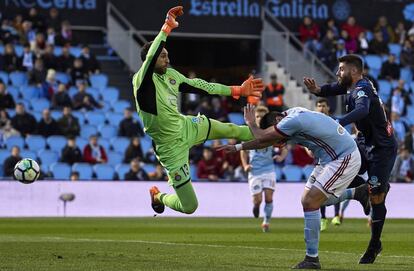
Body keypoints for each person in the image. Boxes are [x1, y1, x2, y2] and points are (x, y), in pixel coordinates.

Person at [135, 6, 264, 215]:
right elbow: (151, 56)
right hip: (170, 148)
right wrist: (167, 27)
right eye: (163, 56)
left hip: (186, 126)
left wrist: (237, 90)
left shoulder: (172, 75)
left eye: (168, 56)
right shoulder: (142, 81)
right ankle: (158, 196)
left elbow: (203, 86)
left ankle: (279, 134)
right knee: (190, 206)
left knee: (233, 129)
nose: (167, 59)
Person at [219, 105, 370, 269]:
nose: (278, 145)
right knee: (311, 202)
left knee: (310, 201)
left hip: (343, 156)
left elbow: (263, 137)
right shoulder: (289, 118)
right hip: (328, 159)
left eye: (278, 140)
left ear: (278, 120)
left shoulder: (293, 120)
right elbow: (265, 140)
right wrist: (238, 147)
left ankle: (312, 259)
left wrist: (251, 123)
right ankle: (357, 193)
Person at [303, 54, 398, 264]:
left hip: (382, 149)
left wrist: (339, 121)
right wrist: (319, 90)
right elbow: (335, 88)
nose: (338, 73)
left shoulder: (362, 89)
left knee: (377, 198)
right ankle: (363, 190)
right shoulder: (352, 86)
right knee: (343, 170)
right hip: (364, 144)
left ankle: (375, 244)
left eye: (341, 69)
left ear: (354, 71)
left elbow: (362, 109)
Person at [240, 106, 279, 232]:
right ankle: (256, 206)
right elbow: (243, 151)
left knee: (269, 198)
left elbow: (284, 147)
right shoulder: (248, 133)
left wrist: (281, 156)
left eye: (262, 117)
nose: (260, 119)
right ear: (254, 118)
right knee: (258, 200)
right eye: (257, 116)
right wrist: (245, 165)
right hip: (254, 171)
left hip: (269, 169)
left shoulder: (272, 131)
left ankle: (266, 222)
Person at [314, 98, 342, 231]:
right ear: (316, 108)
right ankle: (323, 218)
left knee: (336, 188)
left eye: (323, 106)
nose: (321, 108)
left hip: (335, 159)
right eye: (319, 106)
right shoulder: (313, 122)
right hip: (321, 160)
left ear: (328, 108)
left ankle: (336, 215)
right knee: (320, 189)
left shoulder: (335, 121)